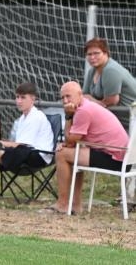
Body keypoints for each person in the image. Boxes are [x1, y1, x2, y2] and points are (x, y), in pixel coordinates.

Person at [43, 81, 129, 214]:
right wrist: (69, 143)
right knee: (72, 153)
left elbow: (70, 140)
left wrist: (68, 116)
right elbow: (72, 141)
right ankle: (76, 206)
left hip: (116, 159)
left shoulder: (83, 111)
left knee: (62, 154)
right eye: (62, 97)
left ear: (79, 95)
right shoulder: (86, 106)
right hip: (121, 156)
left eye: (68, 96)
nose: (65, 101)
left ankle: (63, 204)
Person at [82, 37, 136, 128]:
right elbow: (84, 96)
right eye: (89, 54)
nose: (92, 57)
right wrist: (95, 102)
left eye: (96, 53)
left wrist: (92, 100)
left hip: (130, 123)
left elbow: (112, 101)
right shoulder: (92, 71)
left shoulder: (110, 70)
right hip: (114, 121)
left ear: (106, 53)